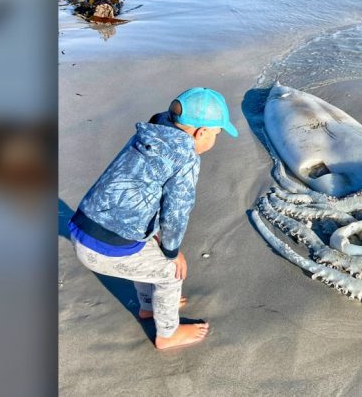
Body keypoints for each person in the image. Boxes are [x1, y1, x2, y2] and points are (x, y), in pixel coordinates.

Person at [68, 87, 238, 349]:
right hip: (103, 248)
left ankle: (149, 307)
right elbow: (176, 211)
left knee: (149, 246)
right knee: (171, 272)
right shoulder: (186, 156)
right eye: (216, 134)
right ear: (201, 132)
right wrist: (172, 252)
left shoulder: (151, 131)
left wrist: (158, 240)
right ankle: (167, 334)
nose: (214, 139)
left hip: (82, 225)